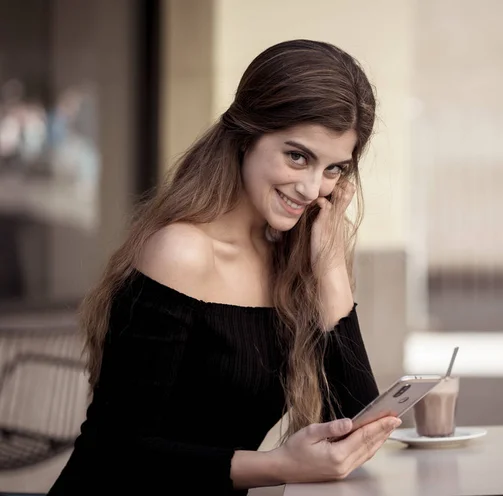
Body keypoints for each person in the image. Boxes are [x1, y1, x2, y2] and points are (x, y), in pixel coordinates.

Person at [48, 39, 401, 495]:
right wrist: (278, 465)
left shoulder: (290, 259)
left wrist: (331, 267)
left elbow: (356, 428)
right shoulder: (181, 252)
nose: (314, 188)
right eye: (298, 156)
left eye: (334, 169)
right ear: (245, 137)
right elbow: (117, 451)